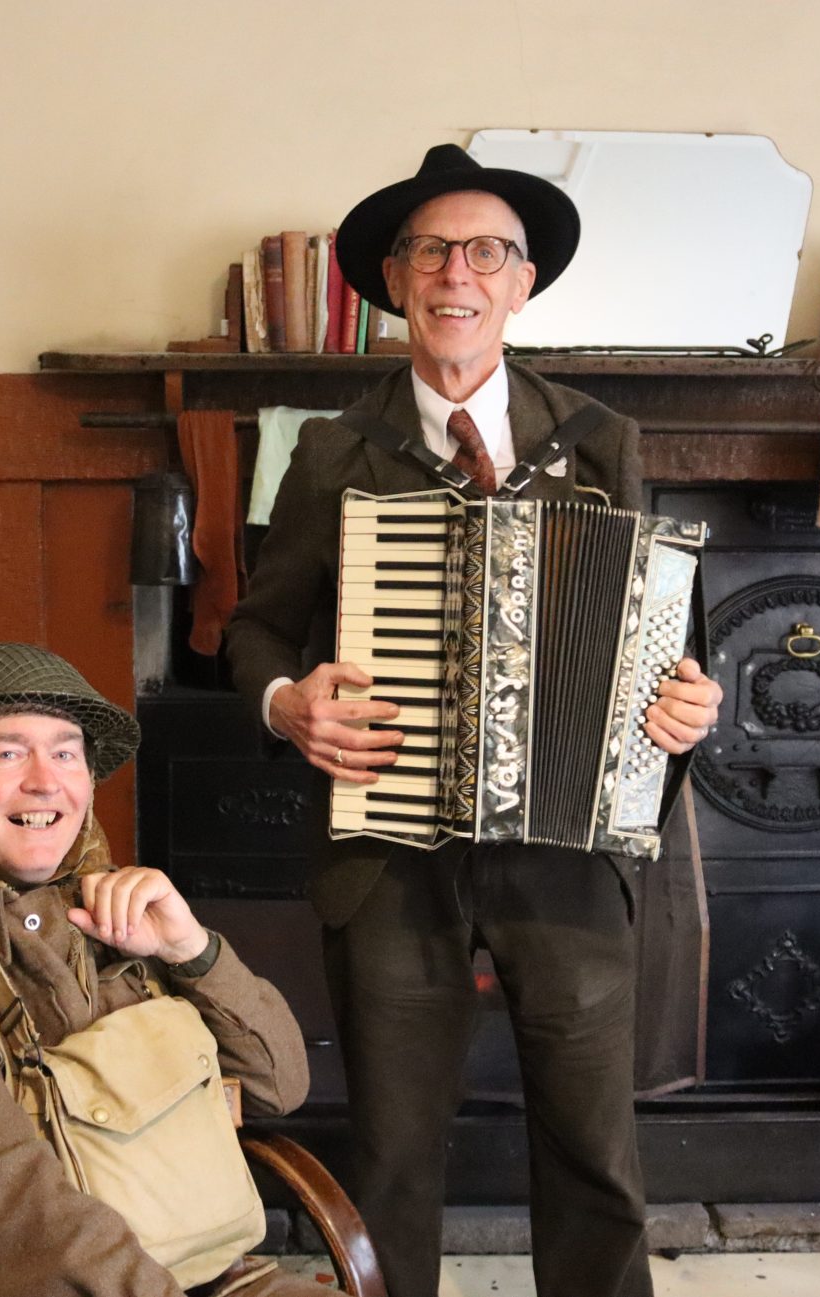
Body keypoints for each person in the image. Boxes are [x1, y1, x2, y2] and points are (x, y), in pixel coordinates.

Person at [224, 144, 725, 1297]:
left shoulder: (598, 440)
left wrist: (684, 703)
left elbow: (654, 632)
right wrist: (285, 701)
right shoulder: (330, 451)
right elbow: (252, 631)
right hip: (390, 857)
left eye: (485, 251)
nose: (458, 271)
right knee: (393, 1152)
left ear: (521, 281)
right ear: (394, 280)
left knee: (595, 1151)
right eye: (432, 250)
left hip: (565, 852)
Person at [0, 642, 337, 1297]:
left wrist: (191, 950)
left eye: (66, 752)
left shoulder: (112, 914)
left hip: (204, 1272)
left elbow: (280, 1085)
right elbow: (16, 1217)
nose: (45, 780)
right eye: (7, 752)